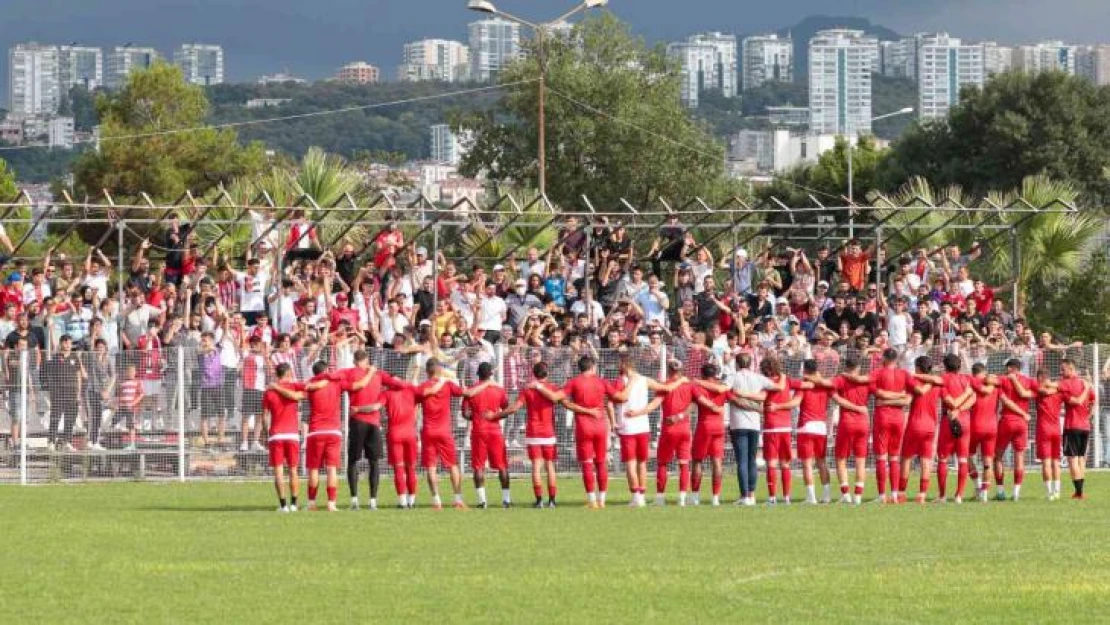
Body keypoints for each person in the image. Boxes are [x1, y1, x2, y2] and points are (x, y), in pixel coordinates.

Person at [610, 355, 684, 507]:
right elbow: (667, 388)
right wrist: (682, 380)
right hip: (643, 426)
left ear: (624, 365)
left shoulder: (620, 381)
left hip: (627, 426)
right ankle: (642, 496)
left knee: (631, 463)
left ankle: (636, 496)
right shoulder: (644, 379)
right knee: (642, 463)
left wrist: (613, 422)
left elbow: (612, 401)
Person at [545, 355, 617, 509]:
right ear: (592, 367)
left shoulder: (574, 382)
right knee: (601, 462)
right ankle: (602, 500)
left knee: (587, 463)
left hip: (584, 427)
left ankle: (592, 501)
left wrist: (539, 386)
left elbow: (556, 397)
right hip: (600, 425)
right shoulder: (601, 381)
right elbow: (619, 396)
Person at [272, 361, 343, 511]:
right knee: (332, 469)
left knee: (314, 469)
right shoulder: (336, 383)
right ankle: (331, 503)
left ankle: (311, 503)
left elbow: (298, 393)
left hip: (315, 431)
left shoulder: (310, 383)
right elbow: (356, 386)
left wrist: (275, 387)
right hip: (334, 431)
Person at [417, 358, 485, 510]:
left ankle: (437, 502)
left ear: (427, 371)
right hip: (444, 431)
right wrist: (486, 383)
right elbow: (468, 392)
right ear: (439, 370)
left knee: (431, 467)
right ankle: (458, 500)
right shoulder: (447, 385)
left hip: (428, 430)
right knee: (453, 465)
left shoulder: (423, 387)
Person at [340, 350, 392, 510]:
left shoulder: (349, 372)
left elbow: (333, 377)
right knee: (374, 462)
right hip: (374, 423)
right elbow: (395, 382)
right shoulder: (378, 374)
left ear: (354, 360)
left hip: (358, 421)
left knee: (353, 460)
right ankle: (373, 501)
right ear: (367, 359)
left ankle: (354, 500)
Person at [503, 362, 560, 508]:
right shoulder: (552, 388)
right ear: (547, 374)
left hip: (533, 432)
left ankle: (539, 500)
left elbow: (515, 408)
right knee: (550, 466)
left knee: (536, 466)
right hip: (548, 432)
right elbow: (559, 399)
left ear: (533, 374)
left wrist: (498, 414)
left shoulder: (527, 389)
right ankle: (552, 501)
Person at [753, 355, 802, 505]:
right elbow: (804, 386)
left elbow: (760, 399)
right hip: (786, 427)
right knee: (785, 463)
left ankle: (772, 497)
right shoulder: (786, 380)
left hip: (770, 428)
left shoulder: (766, 383)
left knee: (772, 464)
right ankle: (786, 497)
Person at [728, 353, 775, 506]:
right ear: (750, 364)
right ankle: (752, 495)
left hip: (738, 423)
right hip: (754, 424)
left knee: (742, 460)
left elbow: (722, 388)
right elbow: (776, 386)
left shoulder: (733, 377)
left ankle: (744, 496)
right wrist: (759, 396)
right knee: (751, 460)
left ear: (737, 364)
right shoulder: (758, 378)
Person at [869, 348, 914, 503]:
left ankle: (882, 496)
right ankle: (894, 495)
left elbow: (878, 393)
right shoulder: (904, 374)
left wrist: (887, 400)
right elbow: (908, 399)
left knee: (881, 457)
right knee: (894, 457)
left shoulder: (877, 373)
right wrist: (900, 395)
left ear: (884, 358)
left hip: (883, 416)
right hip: (899, 418)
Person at [463, 362, 509, 508]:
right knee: (502, 466)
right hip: (495, 431)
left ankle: (482, 501)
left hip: (478, 431)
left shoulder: (471, 390)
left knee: (478, 466)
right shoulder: (499, 390)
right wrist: (494, 415)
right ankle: (506, 500)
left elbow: (465, 413)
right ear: (491, 374)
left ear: (478, 374)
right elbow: (506, 410)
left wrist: (476, 416)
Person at [898, 356, 940, 504]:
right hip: (931, 426)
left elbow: (907, 400)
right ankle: (922, 494)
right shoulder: (935, 383)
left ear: (917, 367)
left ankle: (901, 493)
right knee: (926, 459)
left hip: (915, 424)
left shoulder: (914, 381)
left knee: (906, 459)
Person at [262, 363, 303, 512]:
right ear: (288, 373)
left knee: (278, 471)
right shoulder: (294, 387)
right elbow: (299, 396)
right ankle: (293, 504)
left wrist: (268, 432)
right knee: (293, 470)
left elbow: (265, 416)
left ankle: (283, 505)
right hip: (292, 434)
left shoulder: (269, 392)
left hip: (276, 434)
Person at [933, 354, 974, 503]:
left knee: (943, 459)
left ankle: (943, 496)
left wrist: (957, 408)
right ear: (959, 365)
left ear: (945, 366)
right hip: (965, 419)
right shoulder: (966, 379)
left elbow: (951, 402)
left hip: (948, 419)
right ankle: (959, 496)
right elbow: (972, 398)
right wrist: (966, 394)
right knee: (963, 459)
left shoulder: (943, 379)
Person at [689, 363, 730, 507]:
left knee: (697, 461)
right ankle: (715, 498)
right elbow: (734, 398)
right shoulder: (722, 387)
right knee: (717, 462)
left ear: (702, 374)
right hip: (719, 426)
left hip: (705, 425)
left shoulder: (697, 387)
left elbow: (693, 402)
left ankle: (695, 496)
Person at [831, 358, 872, 505]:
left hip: (847, 423)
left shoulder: (840, 379)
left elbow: (834, 396)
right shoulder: (866, 381)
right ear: (859, 367)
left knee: (841, 459)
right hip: (863, 423)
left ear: (845, 366)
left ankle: (845, 494)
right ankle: (858, 497)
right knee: (860, 461)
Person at [993, 359, 1034, 502]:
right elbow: (1035, 391)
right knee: (1020, 458)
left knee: (997, 456)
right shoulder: (1028, 380)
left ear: (1010, 368)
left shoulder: (1003, 379)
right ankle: (1016, 492)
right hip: (1022, 424)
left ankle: (1000, 491)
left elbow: (1001, 396)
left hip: (1007, 421)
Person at [797, 360, 836, 505]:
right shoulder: (824, 385)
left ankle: (811, 497)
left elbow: (796, 402)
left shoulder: (804, 385)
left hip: (806, 426)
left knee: (807, 464)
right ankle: (826, 495)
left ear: (806, 370)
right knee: (821, 462)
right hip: (821, 427)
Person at [381, 372, 422, 508]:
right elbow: (423, 395)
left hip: (394, 434)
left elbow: (377, 406)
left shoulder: (386, 394)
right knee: (411, 468)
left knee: (399, 468)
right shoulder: (410, 389)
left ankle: (402, 502)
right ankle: (412, 501)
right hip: (410, 433)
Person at [1057, 359, 1093, 499]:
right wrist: (1088, 417)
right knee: (1081, 459)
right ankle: (1080, 492)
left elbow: (1077, 401)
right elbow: (1093, 402)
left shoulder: (1066, 384)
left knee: (1072, 459)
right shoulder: (1084, 382)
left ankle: (1079, 493)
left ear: (1071, 369)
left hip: (1072, 426)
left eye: (1063, 369)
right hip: (1085, 426)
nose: (1061, 372)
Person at [43, 334, 84, 451]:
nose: (67, 345)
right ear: (61, 343)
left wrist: (78, 393)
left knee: (70, 419)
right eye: (65, 342)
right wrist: (51, 392)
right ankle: (51, 442)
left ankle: (67, 442)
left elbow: (79, 375)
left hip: (72, 393)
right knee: (55, 417)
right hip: (58, 393)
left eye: (69, 343)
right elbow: (50, 376)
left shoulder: (75, 357)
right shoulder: (55, 357)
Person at [967, 364, 1001, 502]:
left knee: (967, 456)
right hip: (992, 427)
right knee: (988, 461)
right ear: (985, 371)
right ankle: (984, 495)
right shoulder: (995, 385)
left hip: (975, 426)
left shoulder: (973, 382)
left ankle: (977, 487)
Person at [1031, 369, 1064, 500]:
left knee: (1046, 462)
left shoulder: (1038, 390)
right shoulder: (1058, 392)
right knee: (1056, 462)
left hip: (1043, 430)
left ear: (1040, 378)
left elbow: (1041, 390)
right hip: (1056, 430)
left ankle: (1049, 493)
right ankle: (1057, 492)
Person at [239, 336, 268, 453]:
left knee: (259, 416)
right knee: (246, 416)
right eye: (254, 344)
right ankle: (244, 441)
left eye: (258, 344)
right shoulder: (247, 354)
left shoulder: (263, 357)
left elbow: (268, 369)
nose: (257, 346)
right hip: (249, 388)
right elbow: (243, 349)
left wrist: (265, 355)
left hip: (260, 389)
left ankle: (255, 441)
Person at [113, 365, 145, 451]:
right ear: (126, 373)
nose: (131, 373)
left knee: (131, 425)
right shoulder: (122, 382)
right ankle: (112, 440)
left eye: (132, 372)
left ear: (135, 373)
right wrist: (117, 404)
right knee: (114, 421)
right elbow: (118, 395)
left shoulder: (137, 382)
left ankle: (132, 444)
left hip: (131, 408)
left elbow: (142, 394)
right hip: (122, 407)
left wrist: (133, 403)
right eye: (129, 372)